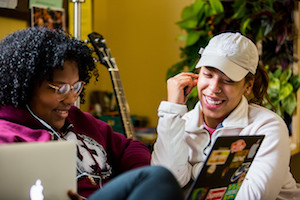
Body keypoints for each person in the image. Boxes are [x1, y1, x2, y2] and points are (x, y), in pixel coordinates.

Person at [0, 27, 183, 200]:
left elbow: (131, 148)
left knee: (158, 180)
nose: (71, 99)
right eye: (59, 89)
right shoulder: (7, 138)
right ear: (26, 87)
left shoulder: (80, 120)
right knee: (159, 177)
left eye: (76, 87)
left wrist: (137, 180)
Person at [151, 32, 300, 199]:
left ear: (247, 86)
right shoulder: (181, 123)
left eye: (228, 80)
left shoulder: (267, 127)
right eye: (208, 74)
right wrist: (172, 110)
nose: (214, 88)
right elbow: (167, 183)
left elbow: (253, 196)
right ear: (197, 75)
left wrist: (196, 170)